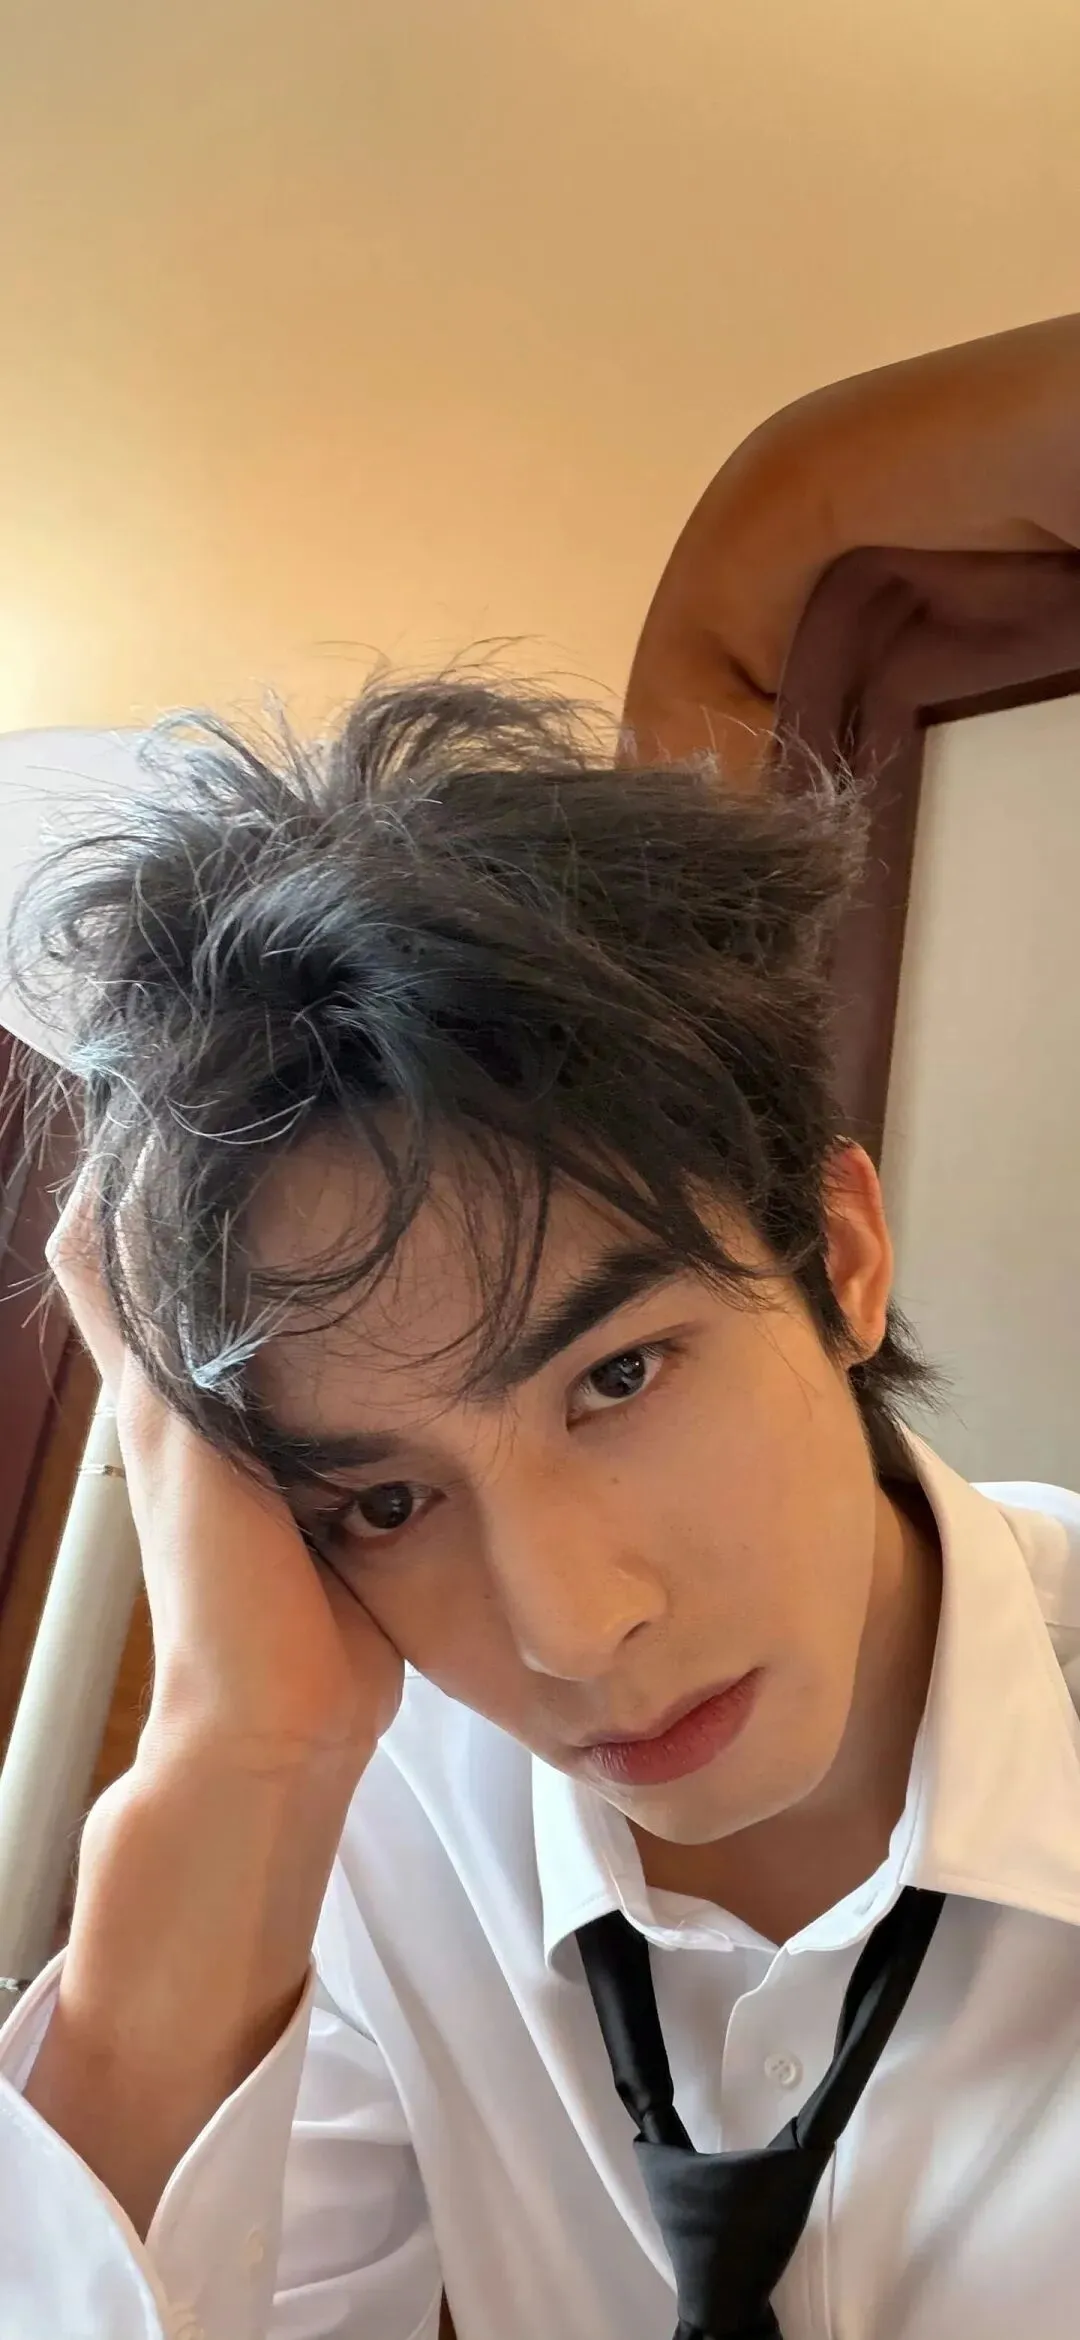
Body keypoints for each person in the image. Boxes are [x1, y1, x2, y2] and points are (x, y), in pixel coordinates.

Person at [0, 669, 1077, 2340]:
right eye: (386, 1499)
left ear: (842, 1256)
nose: (575, 1628)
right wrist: (229, 1763)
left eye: (619, 1377)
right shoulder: (374, 1825)